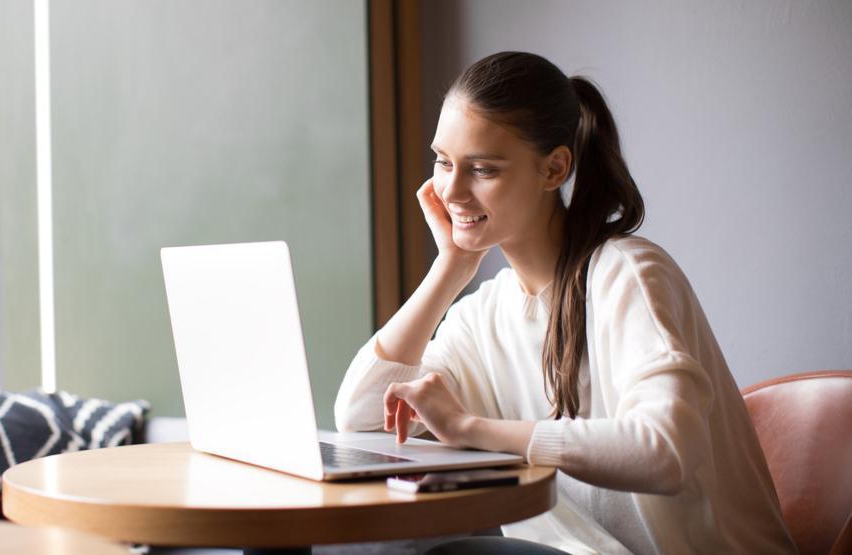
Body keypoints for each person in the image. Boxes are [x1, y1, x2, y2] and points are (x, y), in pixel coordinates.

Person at [333, 52, 795, 555]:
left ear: (554, 169)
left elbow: (665, 451)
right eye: (443, 162)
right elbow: (359, 416)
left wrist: (471, 429)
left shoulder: (627, 273)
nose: (452, 191)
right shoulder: (484, 313)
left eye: (482, 169)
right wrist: (449, 270)